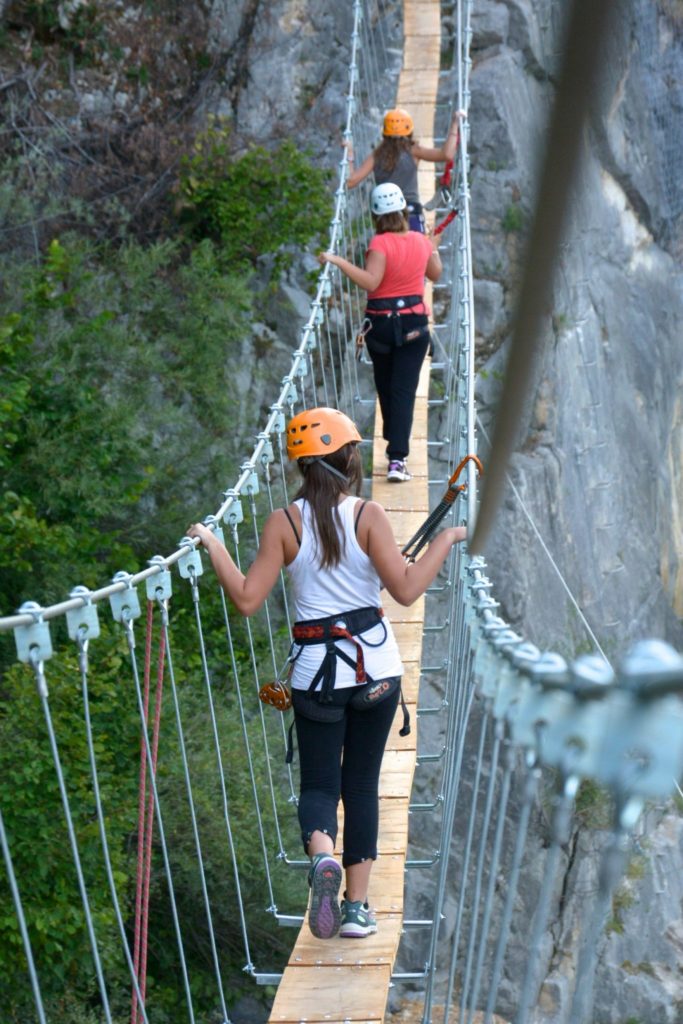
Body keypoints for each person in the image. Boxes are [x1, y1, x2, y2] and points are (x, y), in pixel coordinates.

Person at [188, 407, 466, 941]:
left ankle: (322, 858)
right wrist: (445, 541)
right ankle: (358, 910)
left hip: (315, 677)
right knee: (361, 784)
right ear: (347, 457)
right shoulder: (368, 515)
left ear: (301, 465)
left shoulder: (283, 523)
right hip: (375, 673)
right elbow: (406, 590)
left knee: (319, 782)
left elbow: (248, 599)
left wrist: (214, 543)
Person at [318, 183, 440, 483]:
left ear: (375, 216)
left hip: (381, 327)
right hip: (414, 329)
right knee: (402, 392)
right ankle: (397, 458)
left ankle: (395, 452)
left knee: (387, 390)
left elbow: (372, 283)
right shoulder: (420, 241)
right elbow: (435, 275)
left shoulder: (379, 244)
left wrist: (338, 261)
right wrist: (430, 246)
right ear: (402, 211)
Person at [345, 107, 464, 232]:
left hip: (385, 215)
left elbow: (350, 181)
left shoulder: (376, 155)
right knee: (416, 249)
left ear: (384, 132)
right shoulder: (413, 151)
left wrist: (349, 154)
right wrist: (455, 124)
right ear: (409, 131)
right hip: (410, 211)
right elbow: (446, 155)